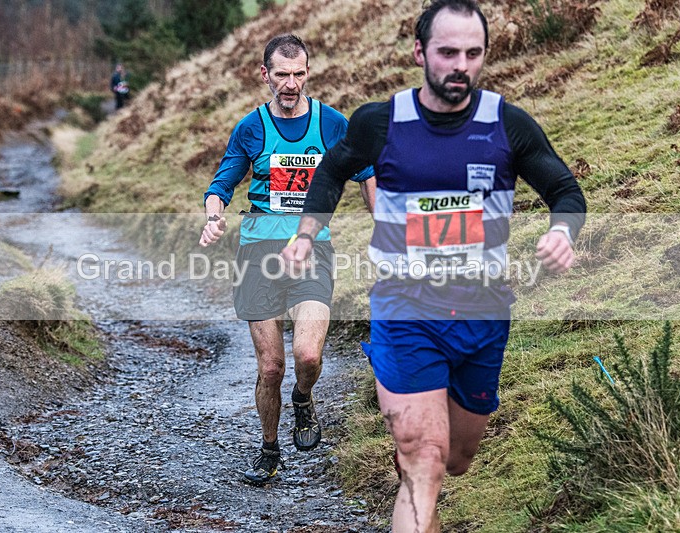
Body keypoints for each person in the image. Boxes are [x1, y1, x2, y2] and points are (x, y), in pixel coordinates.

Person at [281, 1, 586, 530]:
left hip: (482, 315)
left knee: (455, 460)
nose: (460, 65)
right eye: (447, 52)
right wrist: (307, 233)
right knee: (423, 461)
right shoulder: (382, 122)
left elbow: (565, 190)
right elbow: (331, 172)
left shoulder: (506, 124)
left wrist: (563, 231)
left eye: (473, 53)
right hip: (405, 310)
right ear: (421, 52)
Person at [199, 34, 375, 485]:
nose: (291, 83)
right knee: (270, 366)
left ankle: (303, 397)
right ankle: (269, 448)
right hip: (258, 254)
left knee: (308, 355)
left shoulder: (332, 123)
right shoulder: (251, 127)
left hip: (313, 250)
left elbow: (367, 173)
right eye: (282, 74)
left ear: (308, 73)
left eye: (299, 74)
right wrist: (213, 217)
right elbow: (222, 184)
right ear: (265, 75)